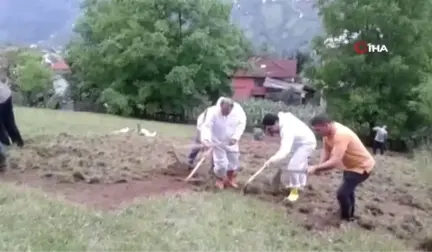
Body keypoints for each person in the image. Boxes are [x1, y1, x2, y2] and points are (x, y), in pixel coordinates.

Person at [308, 114, 375, 222]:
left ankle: (345, 218)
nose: (317, 133)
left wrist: (316, 168)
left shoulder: (341, 134)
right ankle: (350, 214)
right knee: (349, 191)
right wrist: (319, 166)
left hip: (362, 166)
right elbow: (326, 151)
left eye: (318, 130)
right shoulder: (327, 134)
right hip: (350, 166)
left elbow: (335, 161)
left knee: (342, 193)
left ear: (326, 125)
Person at [261, 112, 317, 202]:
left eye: (271, 128)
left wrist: (271, 160)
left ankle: (294, 193)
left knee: (293, 166)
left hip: (307, 143)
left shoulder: (286, 129)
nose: (272, 131)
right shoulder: (280, 119)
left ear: (276, 122)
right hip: (297, 142)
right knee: (287, 163)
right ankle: (298, 185)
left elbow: (284, 151)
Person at [200, 97, 247, 189]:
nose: (225, 113)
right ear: (220, 106)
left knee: (233, 162)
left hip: (231, 142)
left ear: (232, 108)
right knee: (221, 164)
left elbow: (241, 124)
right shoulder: (213, 112)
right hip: (217, 141)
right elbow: (207, 126)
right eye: (224, 111)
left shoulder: (238, 112)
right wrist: (206, 140)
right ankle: (219, 180)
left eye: (228, 111)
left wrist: (235, 137)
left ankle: (230, 179)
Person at [0, 79, 24, 147]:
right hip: (6, 95)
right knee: (10, 124)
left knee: (3, 129)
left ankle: (7, 151)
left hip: (4, 96)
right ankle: (19, 145)